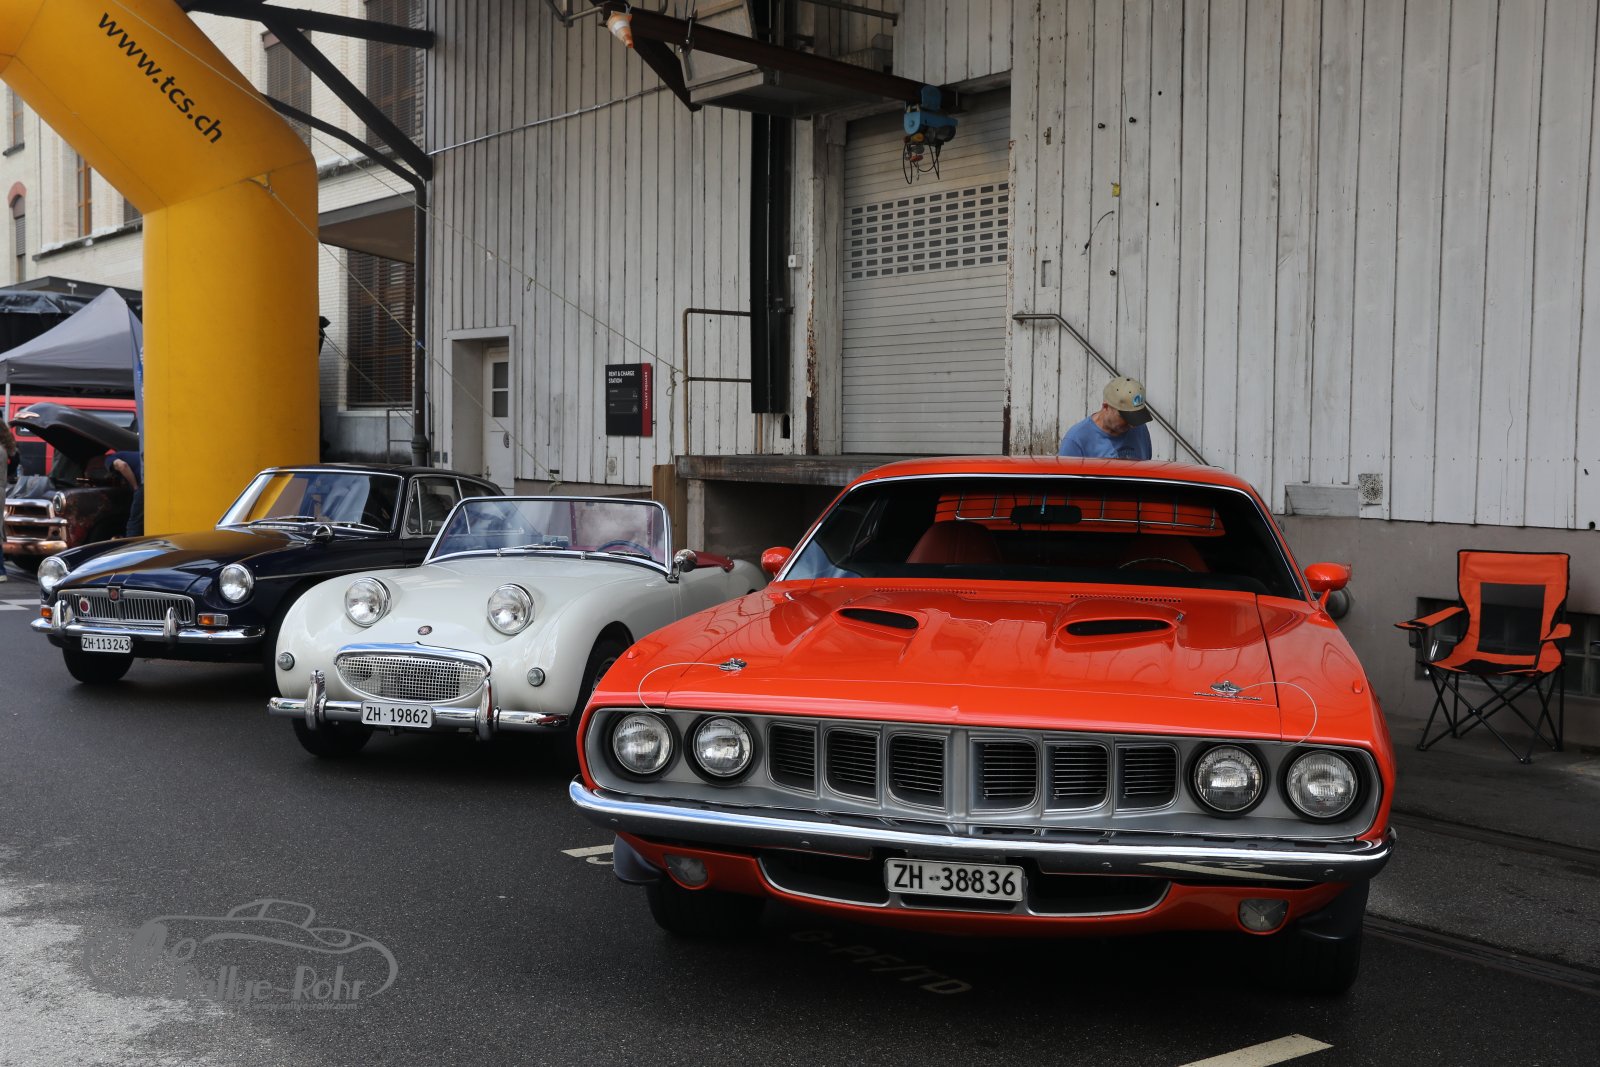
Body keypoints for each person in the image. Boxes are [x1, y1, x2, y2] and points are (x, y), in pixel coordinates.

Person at [1058, 376, 1154, 460]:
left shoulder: (1140, 429)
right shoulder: (1076, 441)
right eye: (1126, 417)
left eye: (1136, 418)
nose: (1132, 425)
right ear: (1106, 407)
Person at [110, 450, 143, 538]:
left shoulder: (109, 458)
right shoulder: (135, 454)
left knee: (134, 524)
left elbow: (122, 465)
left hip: (144, 484)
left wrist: (135, 486)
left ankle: (132, 545)